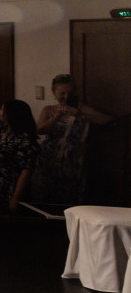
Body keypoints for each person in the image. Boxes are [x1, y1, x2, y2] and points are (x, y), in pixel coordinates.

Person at [31, 73, 113, 205]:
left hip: (73, 161)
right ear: (54, 92)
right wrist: (56, 116)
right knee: (45, 197)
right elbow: (40, 130)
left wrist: (79, 113)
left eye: (70, 93)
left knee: (70, 200)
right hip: (49, 159)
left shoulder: (82, 108)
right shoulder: (48, 109)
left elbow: (107, 120)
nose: (66, 97)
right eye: (62, 93)